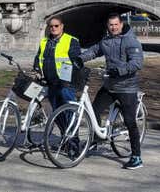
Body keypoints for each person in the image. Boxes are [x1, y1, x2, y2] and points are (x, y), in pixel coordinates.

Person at [80, 13, 144, 169]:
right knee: (93, 110)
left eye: (116, 24)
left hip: (127, 87)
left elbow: (137, 63)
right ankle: (95, 140)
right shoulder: (106, 40)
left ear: (121, 25)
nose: (113, 27)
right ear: (107, 26)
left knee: (130, 122)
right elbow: (94, 51)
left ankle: (136, 157)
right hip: (110, 86)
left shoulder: (131, 41)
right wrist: (78, 58)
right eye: (110, 25)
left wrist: (120, 71)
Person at [32, 16, 83, 126]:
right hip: (51, 83)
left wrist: (67, 78)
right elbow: (38, 58)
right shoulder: (44, 41)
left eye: (56, 26)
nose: (53, 28)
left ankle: (73, 141)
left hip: (66, 84)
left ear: (62, 26)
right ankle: (64, 139)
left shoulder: (71, 41)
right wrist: (37, 70)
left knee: (70, 113)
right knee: (56, 114)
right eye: (51, 26)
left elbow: (76, 62)